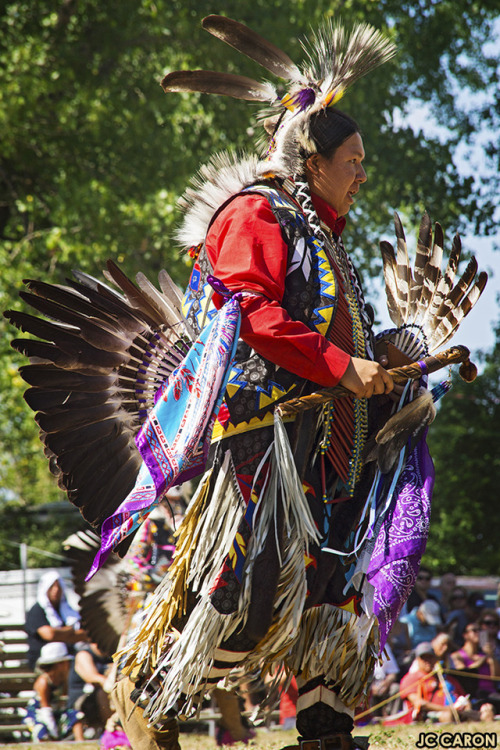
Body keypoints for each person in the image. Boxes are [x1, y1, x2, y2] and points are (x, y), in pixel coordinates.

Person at [110, 15, 450, 750]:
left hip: (326, 443)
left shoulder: (323, 237)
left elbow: (343, 339)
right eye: (355, 158)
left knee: (334, 582)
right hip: (261, 432)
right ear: (316, 159)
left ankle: (324, 726)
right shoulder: (258, 213)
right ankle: (152, 697)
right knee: (250, 584)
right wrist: (339, 366)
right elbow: (246, 311)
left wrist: (390, 367)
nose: (364, 172)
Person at [25, 570, 88, 669]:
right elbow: (49, 634)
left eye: (58, 586)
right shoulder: (37, 610)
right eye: (52, 587)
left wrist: (61, 634)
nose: (56, 590)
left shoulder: (68, 611)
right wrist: (70, 631)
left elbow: (85, 634)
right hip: (44, 661)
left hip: (68, 656)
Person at [400, 641, 476, 723]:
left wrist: (467, 706)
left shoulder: (444, 677)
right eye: (424, 658)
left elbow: (463, 696)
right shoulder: (410, 678)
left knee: (486, 711)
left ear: (435, 659)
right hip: (430, 716)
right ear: (417, 660)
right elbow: (419, 703)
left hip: (458, 711)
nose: (427, 661)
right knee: (447, 715)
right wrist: (449, 709)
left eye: (430, 657)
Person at [22, 641, 78, 742]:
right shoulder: (44, 681)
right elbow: (45, 709)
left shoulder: (65, 678)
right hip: (39, 713)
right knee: (42, 731)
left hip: (58, 711)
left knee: (76, 716)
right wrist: (53, 732)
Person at [67, 641, 115, 741]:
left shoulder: (112, 655)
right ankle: (114, 729)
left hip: (105, 697)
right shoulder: (83, 655)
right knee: (103, 692)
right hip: (82, 700)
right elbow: (92, 677)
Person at [451, 620, 500, 710]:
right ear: (465, 635)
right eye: (474, 630)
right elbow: (465, 674)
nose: (478, 633)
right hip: (476, 694)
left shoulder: (484, 655)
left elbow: (495, 677)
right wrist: (483, 660)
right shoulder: (458, 656)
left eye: (479, 630)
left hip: (492, 692)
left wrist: (491, 656)